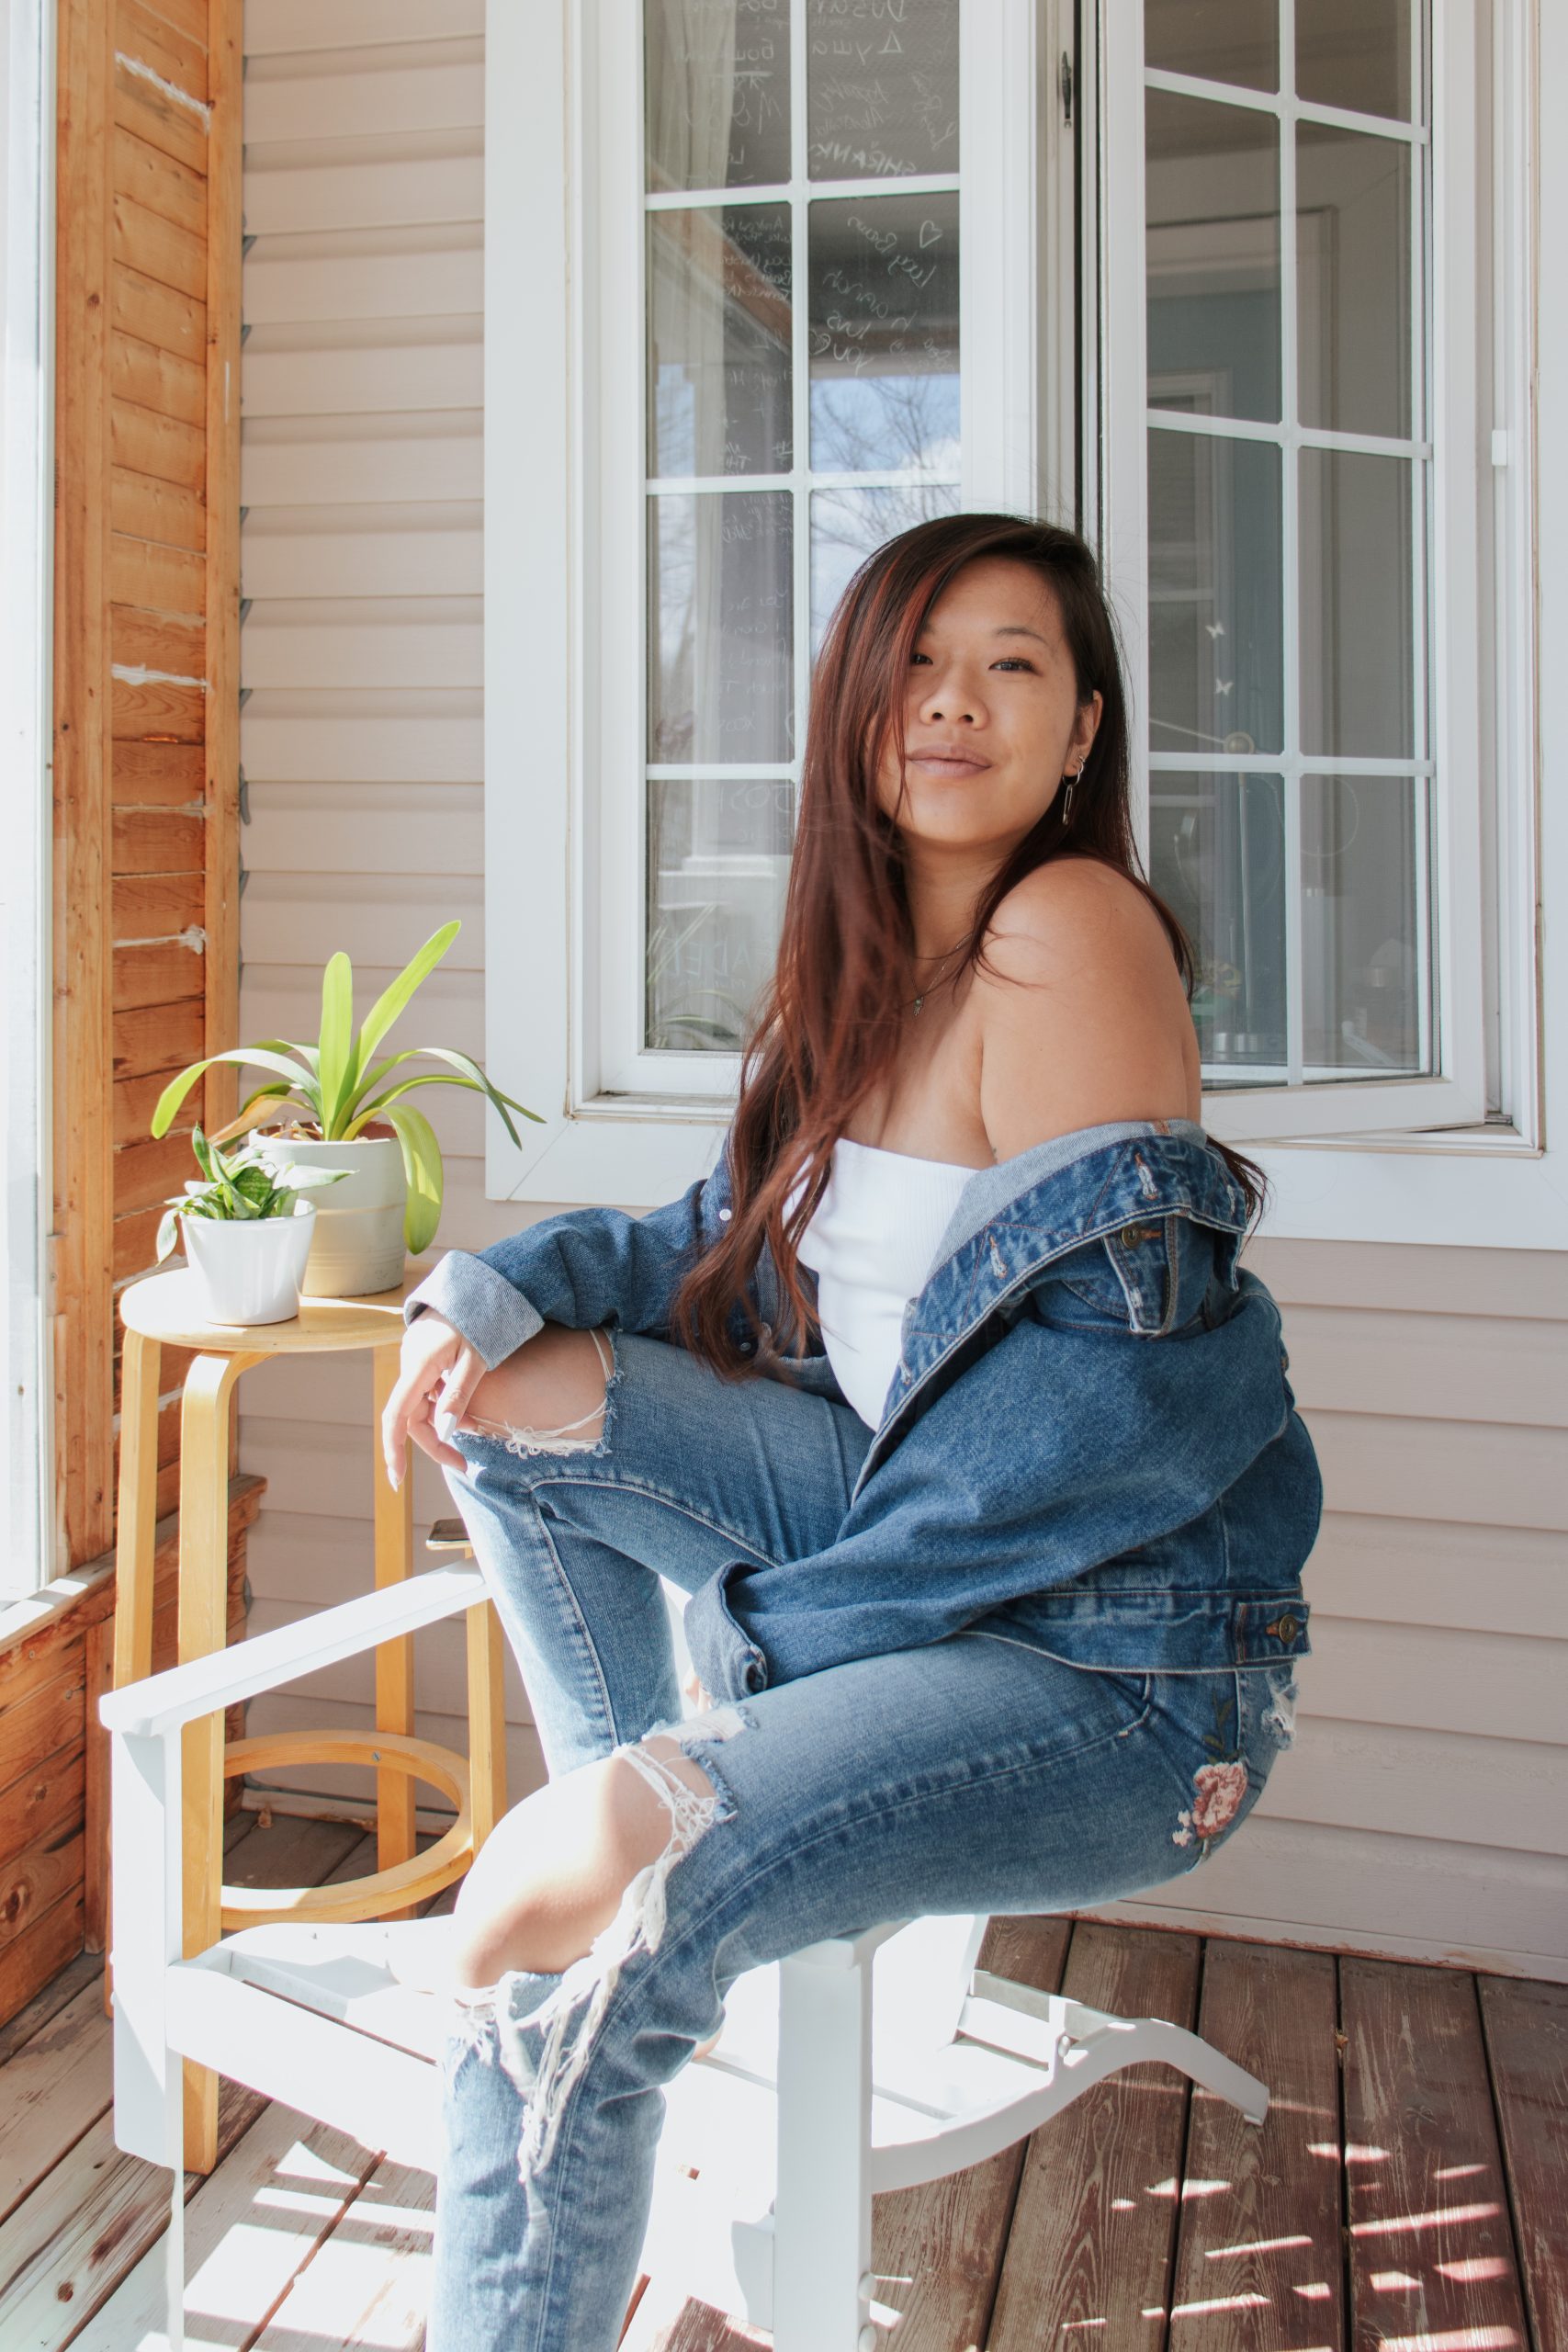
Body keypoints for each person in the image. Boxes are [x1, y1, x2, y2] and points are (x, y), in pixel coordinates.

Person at [381, 513, 1322, 2352]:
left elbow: (1106, 1420)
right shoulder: (871, 969)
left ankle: (648, 1868)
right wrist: (480, 1293)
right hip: (936, 1553)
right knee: (503, 1398)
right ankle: (656, 1829)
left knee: (568, 1929)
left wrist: (748, 1685)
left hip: (1114, 1659)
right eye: (914, 662)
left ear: (1081, 731)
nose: (951, 701)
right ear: (851, 709)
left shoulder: (1067, 930)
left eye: (1011, 665)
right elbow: (710, 1241)